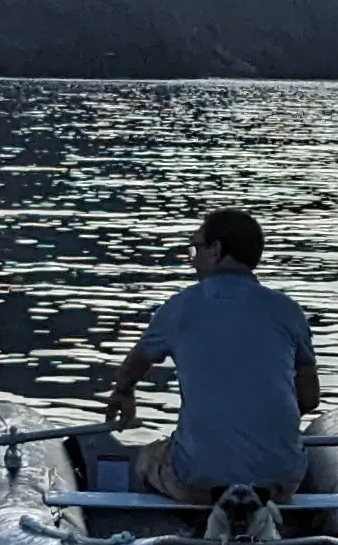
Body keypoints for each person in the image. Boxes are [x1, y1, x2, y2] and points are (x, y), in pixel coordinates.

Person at [102, 207, 320, 507]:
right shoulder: (288, 310)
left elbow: (136, 362)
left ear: (216, 250)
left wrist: (122, 393)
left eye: (196, 247)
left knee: (148, 458)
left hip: (199, 480)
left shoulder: (180, 307)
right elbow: (309, 398)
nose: (193, 259)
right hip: (279, 481)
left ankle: (180, 531)